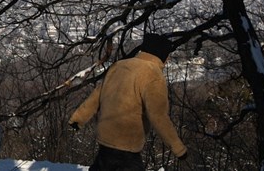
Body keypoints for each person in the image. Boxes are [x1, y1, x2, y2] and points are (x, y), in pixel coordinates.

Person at [68, 33, 188, 171]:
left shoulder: (119, 65)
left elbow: (97, 96)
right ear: (161, 54)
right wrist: (178, 149)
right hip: (128, 143)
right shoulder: (153, 75)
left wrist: (78, 119)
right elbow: (158, 116)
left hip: (106, 137)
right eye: (167, 56)